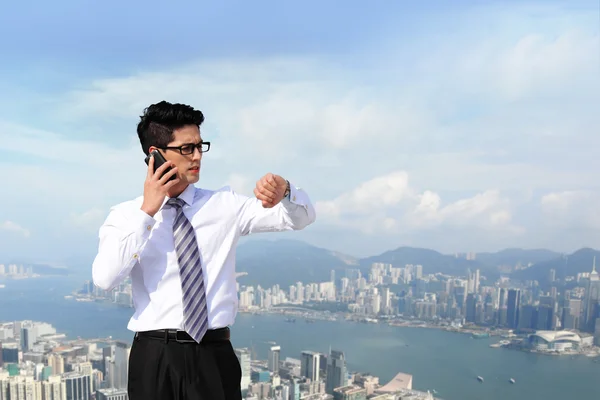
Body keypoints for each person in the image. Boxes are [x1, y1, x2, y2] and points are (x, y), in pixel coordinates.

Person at [91, 100, 316, 400]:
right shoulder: (126, 216)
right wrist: (147, 211)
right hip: (153, 357)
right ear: (155, 154)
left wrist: (286, 190)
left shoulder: (225, 205)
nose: (197, 156)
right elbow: (105, 278)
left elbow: (300, 219)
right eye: (187, 148)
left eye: (200, 145)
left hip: (214, 353)